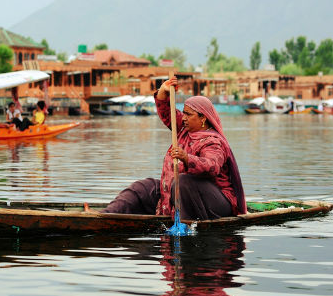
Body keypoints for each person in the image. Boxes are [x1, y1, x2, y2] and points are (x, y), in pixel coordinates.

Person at [102, 77, 246, 220]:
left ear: (203, 118)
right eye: (184, 113)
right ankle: (105, 216)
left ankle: (184, 228)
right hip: (177, 192)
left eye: (188, 114)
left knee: (183, 182)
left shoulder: (213, 142)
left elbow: (212, 166)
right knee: (143, 187)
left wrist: (186, 158)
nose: (183, 117)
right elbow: (166, 112)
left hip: (215, 203)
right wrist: (163, 91)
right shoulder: (184, 128)